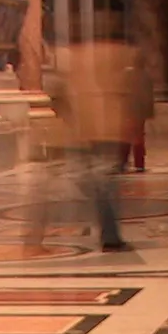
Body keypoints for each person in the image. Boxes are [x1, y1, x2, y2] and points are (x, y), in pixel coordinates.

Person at [51, 39, 133, 251]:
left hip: (93, 137)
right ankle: (110, 236)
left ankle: (108, 233)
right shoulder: (83, 82)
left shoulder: (83, 79)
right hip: (94, 138)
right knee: (103, 186)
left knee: (101, 186)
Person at [119, 55, 153, 172]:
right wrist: (149, 112)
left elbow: (121, 91)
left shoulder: (127, 74)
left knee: (125, 138)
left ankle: (123, 162)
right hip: (139, 112)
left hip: (127, 111)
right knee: (138, 139)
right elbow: (148, 96)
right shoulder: (146, 76)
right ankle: (139, 163)